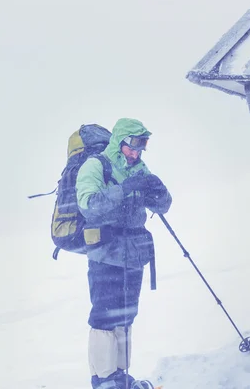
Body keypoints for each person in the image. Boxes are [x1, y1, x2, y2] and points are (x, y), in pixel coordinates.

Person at [76, 117, 172, 389]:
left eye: (142, 147)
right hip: (105, 254)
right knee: (104, 317)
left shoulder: (139, 168)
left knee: (127, 315)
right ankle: (104, 379)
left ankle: (121, 376)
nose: (136, 152)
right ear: (119, 141)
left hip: (134, 254)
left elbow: (162, 207)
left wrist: (159, 193)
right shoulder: (96, 166)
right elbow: (89, 205)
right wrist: (124, 189)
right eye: (133, 145)